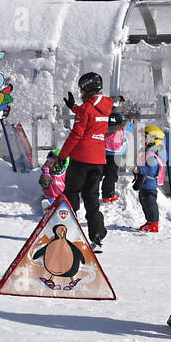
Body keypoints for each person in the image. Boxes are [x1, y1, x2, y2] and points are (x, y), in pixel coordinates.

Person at [54, 71, 113, 248]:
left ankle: (67, 232)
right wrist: (74, 108)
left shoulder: (87, 108)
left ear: (86, 88)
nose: (80, 92)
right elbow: (90, 113)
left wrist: (62, 156)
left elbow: (76, 134)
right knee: (91, 198)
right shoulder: (106, 104)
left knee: (71, 194)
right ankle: (97, 236)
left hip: (81, 159)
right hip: (98, 160)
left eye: (81, 89)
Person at [134, 125, 166, 232]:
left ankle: (153, 224)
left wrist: (139, 170)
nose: (141, 140)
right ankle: (149, 221)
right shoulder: (147, 152)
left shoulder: (151, 155)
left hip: (149, 185)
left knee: (150, 204)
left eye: (144, 137)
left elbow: (151, 171)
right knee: (145, 204)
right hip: (145, 185)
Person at [102, 111, 128, 203]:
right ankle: (107, 195)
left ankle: (104, 193)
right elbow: (129, 128)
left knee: (105, 174)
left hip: (103, 152)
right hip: (115, 154)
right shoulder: (123, 127)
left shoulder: (104, 125)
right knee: (111, 175)